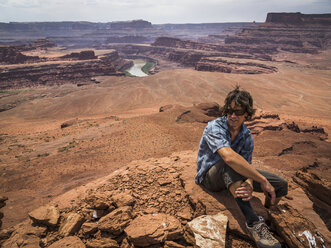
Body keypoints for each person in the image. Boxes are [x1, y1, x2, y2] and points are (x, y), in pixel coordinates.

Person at [195, 86, 288, 248]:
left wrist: (250, 184)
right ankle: (253, 224)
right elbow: (229, 158)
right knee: (230, 164)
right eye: (229, 111)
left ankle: (266, 216)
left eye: (238, 112)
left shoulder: (246, 136)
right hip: (209, 178)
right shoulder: (214, 127)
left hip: (232, 174)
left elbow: (246, 164)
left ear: (247, 113)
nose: (232, 116)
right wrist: (262, 180)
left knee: (280, 184)